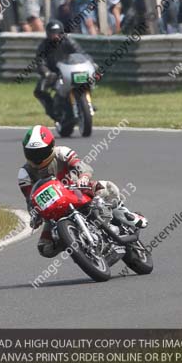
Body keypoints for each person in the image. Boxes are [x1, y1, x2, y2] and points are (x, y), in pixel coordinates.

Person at [17, 125, 147, 258]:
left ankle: (125, 214)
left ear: (51, 147)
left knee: (107, 188)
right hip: (54, 210)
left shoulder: (62, 152)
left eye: (40, 152)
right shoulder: (24, 174)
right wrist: (35, 215)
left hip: (77, 191)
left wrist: (83, 177)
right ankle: (73, 241)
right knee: (45, 248)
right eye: (32, 153)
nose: (36, 157)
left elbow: (82, 166)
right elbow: (30, 200)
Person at [33, 20, 85, 120]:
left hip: (70, 70)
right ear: (48, 34)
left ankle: (85, 103)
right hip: (54, 73)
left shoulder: (69, 41)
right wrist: (47, 72)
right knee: (39, 90)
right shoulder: (43, 46)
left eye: (57, 33)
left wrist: (89, 62)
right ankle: (52, 111)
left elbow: (81, 53)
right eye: (52, 33)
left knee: (86, 81)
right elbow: (40, 62)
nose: (55, 36)